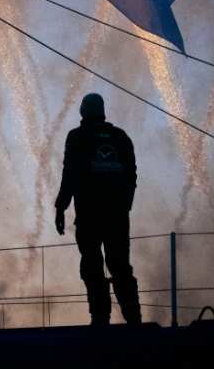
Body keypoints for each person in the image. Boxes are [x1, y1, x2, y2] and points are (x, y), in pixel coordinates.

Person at [54, 92, 141, 326]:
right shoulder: (120, 137)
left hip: (89, 216)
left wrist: (60, 208)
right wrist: (125, 205)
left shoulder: (77, 137)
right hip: (117, 216)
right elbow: (132, 175)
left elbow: (69, 175)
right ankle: (134, 319)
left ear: (83, 111)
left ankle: (100, 317)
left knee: (92, 266)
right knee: (120, 266)